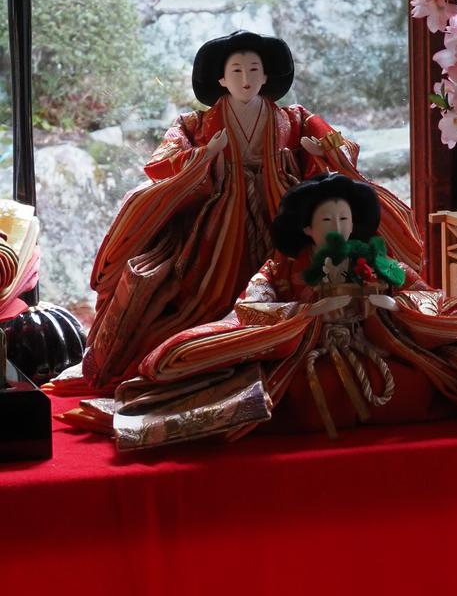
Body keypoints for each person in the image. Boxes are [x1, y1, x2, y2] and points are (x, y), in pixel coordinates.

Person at [63, 176, 457, 449]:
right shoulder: (281, 267)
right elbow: (250, 309)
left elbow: (425, 294)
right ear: (307, 227)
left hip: (379, 345)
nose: (338, 229)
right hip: (302, 356)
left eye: (345, 221)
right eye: (328, 221)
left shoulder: (376, 258)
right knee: (296, 397)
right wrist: (306, 314)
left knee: (419, 386)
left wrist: (389, 302)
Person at [77, 31, 425, 391]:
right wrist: (204, 155)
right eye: (237, 71)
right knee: (198, 288)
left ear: (266, 75)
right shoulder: (195, 124)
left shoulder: (294, 117)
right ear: (221, 79)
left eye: (254, 70)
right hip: (220, 215)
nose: (246, 79)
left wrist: (323, 151)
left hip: (281, 206)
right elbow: (164, 160)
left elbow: (341, 144)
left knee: (295, 272)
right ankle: (215, 340)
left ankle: (291, 338)